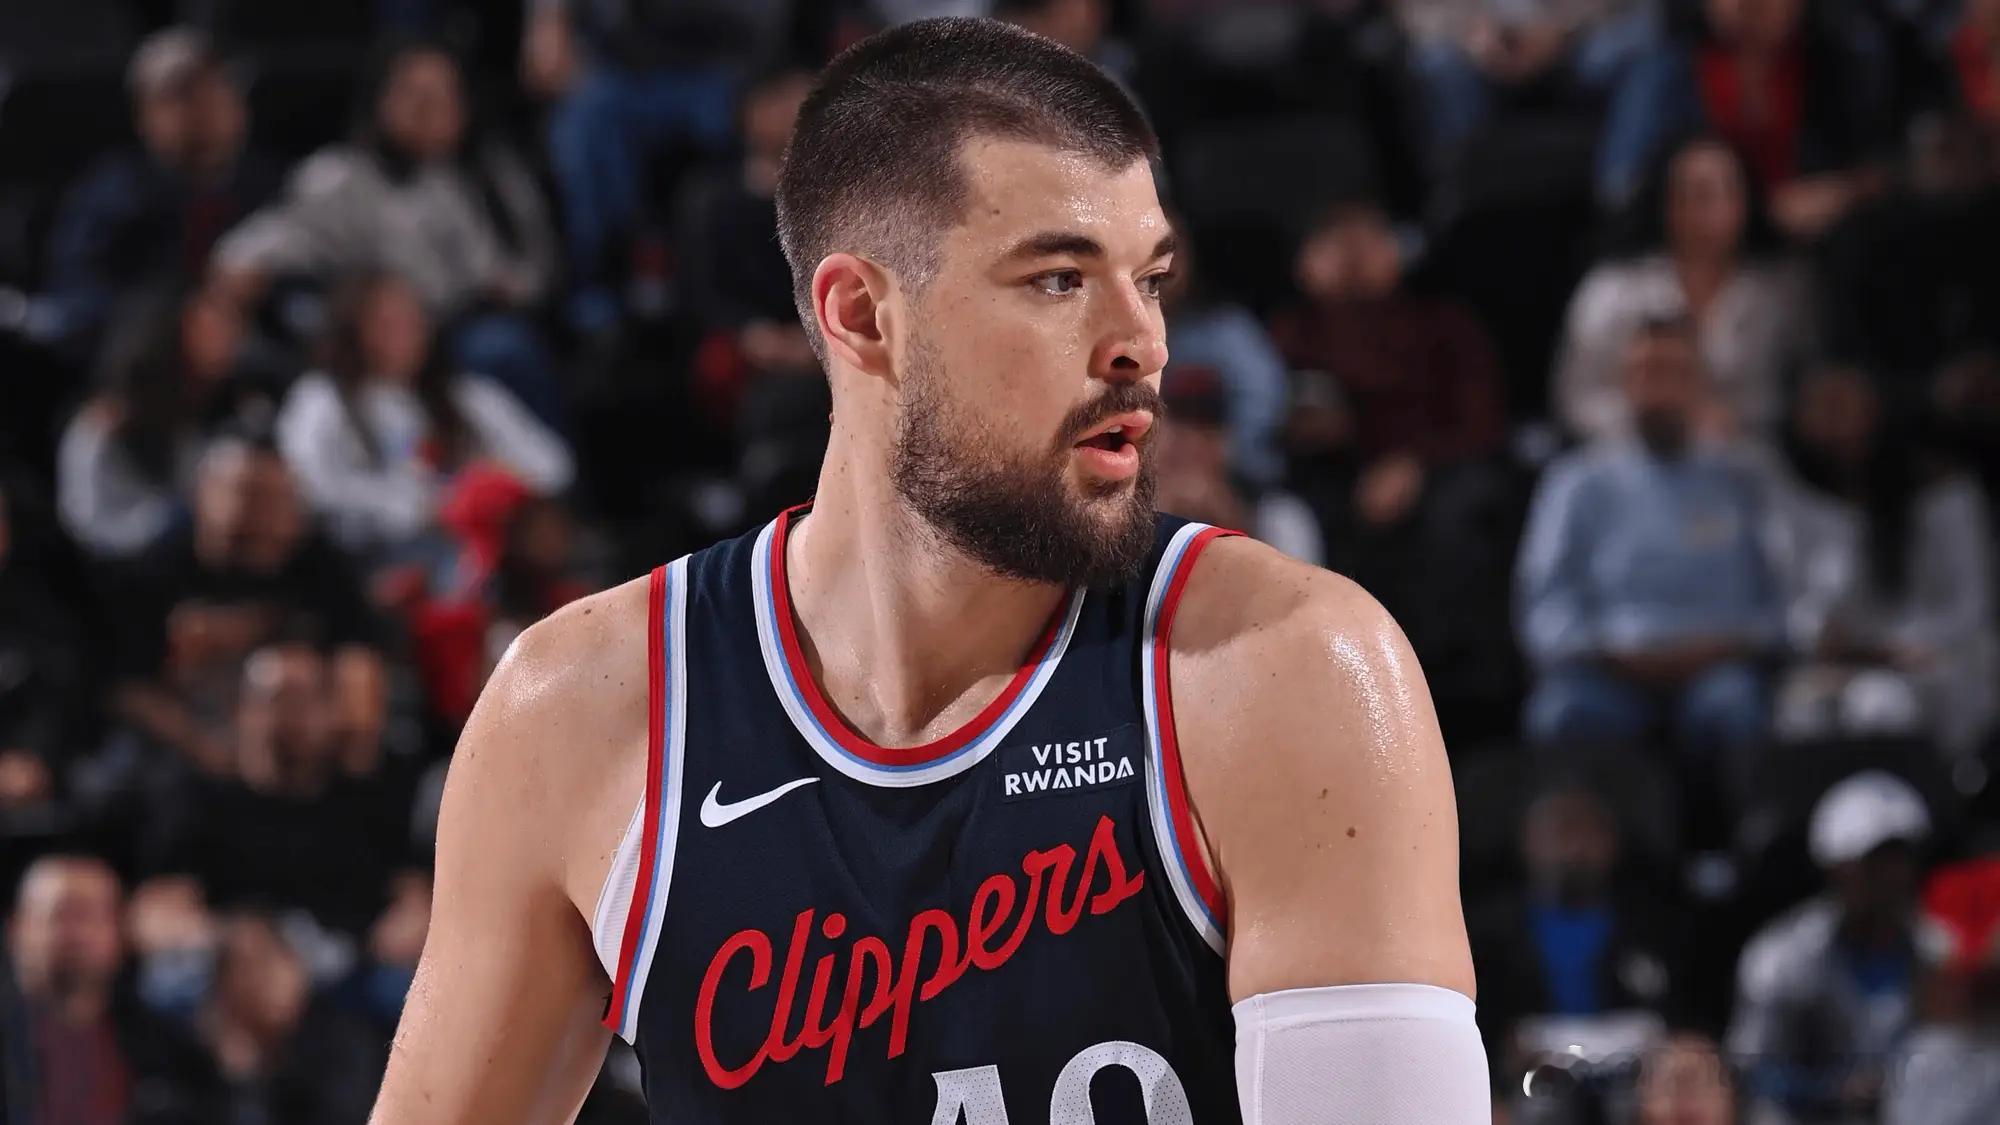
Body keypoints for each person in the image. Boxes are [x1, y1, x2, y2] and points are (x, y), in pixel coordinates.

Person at [373, 18, 1485, 1123]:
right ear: (861, 315)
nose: (1142, 343)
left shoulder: (1285, 670)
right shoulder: (584, 712)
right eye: (1059, 279)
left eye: (1150, 277)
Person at [213, 39, 563, 425]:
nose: (428, 111)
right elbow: (251, 250)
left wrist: (507, 288)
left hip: (446, 333)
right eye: (414, 95)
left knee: (506, 344)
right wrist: (246, 269)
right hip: (373, 345)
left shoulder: (453, 182)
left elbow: (496, 273)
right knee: (499, 349)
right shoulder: (339, 178)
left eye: (443, 97)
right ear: (381, 100)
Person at [1518, 314, 1783, 779]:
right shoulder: (1577, 482)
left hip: (1718, 667)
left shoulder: (1743, 478)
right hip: (1609, 671)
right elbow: (1543, 605)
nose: (1659, 389)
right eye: (1645, 372)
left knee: (1737, 708)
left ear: (1701, 383)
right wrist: (1608, 652)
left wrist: (1732, 645)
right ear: (1623, 384)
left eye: (1674, 372)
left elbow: (1782, 595)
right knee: (1562, 712)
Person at [1771, 365, 1997, 755]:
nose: (1834, 426)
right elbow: (1797, 600)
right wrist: (1818, 631)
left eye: (1843, 407)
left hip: (1932, 662)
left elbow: (1970, 604)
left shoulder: (1944, 492)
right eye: (1820, 408)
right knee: (1800, 713)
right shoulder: (1800, 495)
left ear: (1877, 408)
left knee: (1880, 703)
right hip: (1846, 663)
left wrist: (1904, 646)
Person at [275, 273, 573, 565]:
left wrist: (492, 486)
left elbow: (553, 463)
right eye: (388, 324)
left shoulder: (464, 395)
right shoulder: (321, 399)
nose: (406, 335)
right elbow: (313, 486)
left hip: (477, 547)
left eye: (413, 321)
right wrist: (416, 508)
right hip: (378, 556)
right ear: (353, 332)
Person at [36, 28, 280, 358]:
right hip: (143, 362)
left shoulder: (269, 187)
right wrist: (176, 320)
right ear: (144, 115)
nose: (204, 108)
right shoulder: (114, 196)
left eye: (218, 87)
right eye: (183, 95)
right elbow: (76, 300)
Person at [1555, 135, 1808, 443]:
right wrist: (1659, 424)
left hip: (1743, 453)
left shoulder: (1778, 290)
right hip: (1625, 452)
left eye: (1729, 191)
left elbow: (1791, 394)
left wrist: (1720, 421)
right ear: (1669, 204)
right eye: (1701, 194)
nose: (1718, 208)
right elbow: (1576, 395)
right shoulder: (1614, 288)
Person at [1729, 770, 1932, 1124]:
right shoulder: (1783, 957)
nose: (1894, 876)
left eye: (1900, 859)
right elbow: (1751, 1069)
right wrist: (1832, 1089)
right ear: (1838, 869)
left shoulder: (1936, 945)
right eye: (1876, 863)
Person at [57, 285, 265, 559]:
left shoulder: (243, 403)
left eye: (232, 324)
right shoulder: (106, 423)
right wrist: (176, 518)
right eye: (210, 327)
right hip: (135, 563)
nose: (229, 339)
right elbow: (90, 522)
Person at [5, 854, 204, 1125]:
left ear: (121, 933)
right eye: (62, 914)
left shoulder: (165, 1052)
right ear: (16, 929)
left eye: (95, 916)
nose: (79, 933)